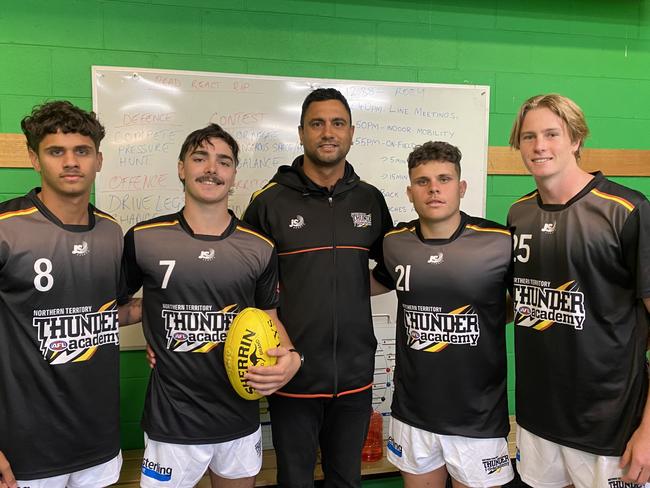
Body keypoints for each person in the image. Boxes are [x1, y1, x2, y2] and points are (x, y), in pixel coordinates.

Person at [121, 123, 301, 488]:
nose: (211, 169)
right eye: (200, 158)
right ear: (181, 167)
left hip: (238, 415)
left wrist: (293, 356)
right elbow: (116, 307)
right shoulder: (144, 238)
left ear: (234, 174)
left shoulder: (259, 247)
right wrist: (153, 316)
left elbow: (269, 318)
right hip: (172, 420)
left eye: (223, 161)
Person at [242, 88, 393, 487]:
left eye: (337, 123)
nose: (328, 132)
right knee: (294, 480)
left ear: (351, 132)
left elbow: (394, 267)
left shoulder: (371, 199)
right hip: (292, 375)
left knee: (347, 480)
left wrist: (351, 287)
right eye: (317, 123)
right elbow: (247, 284)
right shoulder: (268, 202)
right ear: (302, 132)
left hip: (356, 376)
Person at [508, 94, 650, 487]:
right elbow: (515, 302)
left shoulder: (626, 209)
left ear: (576, 139)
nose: (539, 146)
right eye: (528, 136)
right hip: (538, 420)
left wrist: (649, 432)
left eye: (552, 134)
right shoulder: (519, 213)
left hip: (611, 427)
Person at [371, 141, 515, 488]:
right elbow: (371, 284)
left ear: (461, 187)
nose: (434, 188)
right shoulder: (395, 241)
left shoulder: (499, 241)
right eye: (422, 181)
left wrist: (488, 316)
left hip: (476, 419)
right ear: (409, 191)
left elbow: (520, 304)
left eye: (444, 179)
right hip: (413, 413)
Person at [0, 101, 125, 487]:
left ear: (99, 160)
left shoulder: (111, 231)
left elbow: (107, 313)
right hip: (26, 450)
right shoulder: (6, 229)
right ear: (35, 159)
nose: (71, 162)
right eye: (56, 151)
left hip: (99, 445)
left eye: (82, 151)